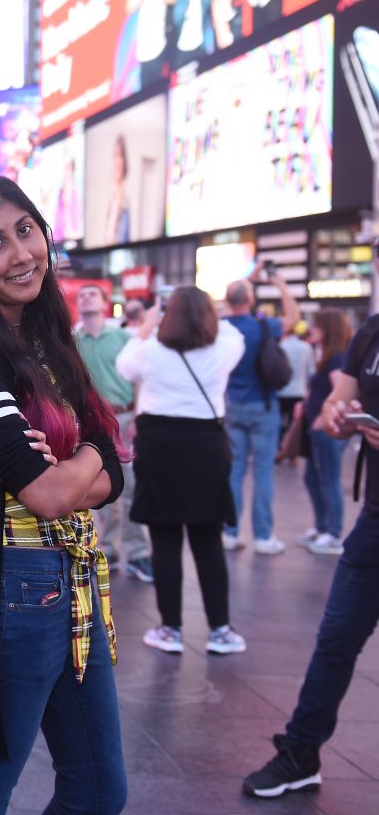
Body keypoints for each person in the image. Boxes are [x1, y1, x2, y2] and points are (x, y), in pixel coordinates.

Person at [0, 176, 126, 813]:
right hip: (12, 585)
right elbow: (45, 492)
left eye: (26, 230)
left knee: (99, 791)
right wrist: (94, 454)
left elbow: (111, 473)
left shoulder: (45, 344)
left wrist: (92, 460)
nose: (20, 253)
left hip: (79, 581)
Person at [242, 307, 379, 798]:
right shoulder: (371, 332)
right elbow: (334, 413)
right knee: (335, 640)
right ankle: (301, 752)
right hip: (374, 523)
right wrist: (340, 417)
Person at [116, 287, 246, 654]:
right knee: (208, 541)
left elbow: (124, 366)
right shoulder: (224, 347)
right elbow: (232, 332)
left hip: (160, 446)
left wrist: (148, 325)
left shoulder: (152, 349)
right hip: (207, 443)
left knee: (165, 539)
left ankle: (170, 629)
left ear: (167, 314)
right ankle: (220, 630)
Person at [76, 283, 153, 583]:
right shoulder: (72, 340)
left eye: (92, 294)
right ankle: (104, 551)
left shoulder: (123, 337)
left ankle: (137, 553)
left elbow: (141, 377)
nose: (86, 297)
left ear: (105, 302)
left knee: (132, 487)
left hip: (125, 416)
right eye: (82, 294)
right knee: (99, 491)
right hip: (93, 422)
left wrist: (139, 416)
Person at [222, 266, 299, 553]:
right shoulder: (262, 326)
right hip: (263, 406)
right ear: (251, 300)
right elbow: (293, 318)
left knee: (235, 470)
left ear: (228, 300)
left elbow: (220, 307)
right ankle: (263, 537)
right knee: (264, 471)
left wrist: (245, 283)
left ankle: (230, 532)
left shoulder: (221, 327)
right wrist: (280, 284)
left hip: (232, 406)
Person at [296, 310, 352, 555]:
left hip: (327, 428)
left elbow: (342, 391)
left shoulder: (337, 359)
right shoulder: (328, 357)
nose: (312, 330)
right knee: (313, 477)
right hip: (317, 427)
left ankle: (334, 533)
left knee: (328, 479)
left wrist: (323, 415)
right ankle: (322, 526)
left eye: (317, 326)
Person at [276, 320, 314, 457]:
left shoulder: (281, 345)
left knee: (279, 422)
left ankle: (280, 448)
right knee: (294, 423)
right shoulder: (306, 347)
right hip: (299, 390)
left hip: (281, 391)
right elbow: (311, 371)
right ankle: (292, 452)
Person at [104, 135, 132, 244]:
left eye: (120, 156)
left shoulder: (127, 201)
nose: (118, 162)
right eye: (115, 156)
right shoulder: (111, 199)